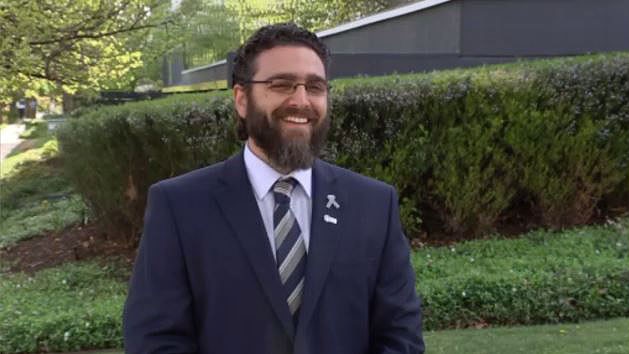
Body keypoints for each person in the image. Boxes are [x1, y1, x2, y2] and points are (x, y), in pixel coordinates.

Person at [123, 23, 424, 354]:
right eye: (281, 85)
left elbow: (400, 335)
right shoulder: (179, 207)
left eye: (315, 87)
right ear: (241, 99)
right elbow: (156, 340)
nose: (301, 101)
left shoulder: (374, 205)